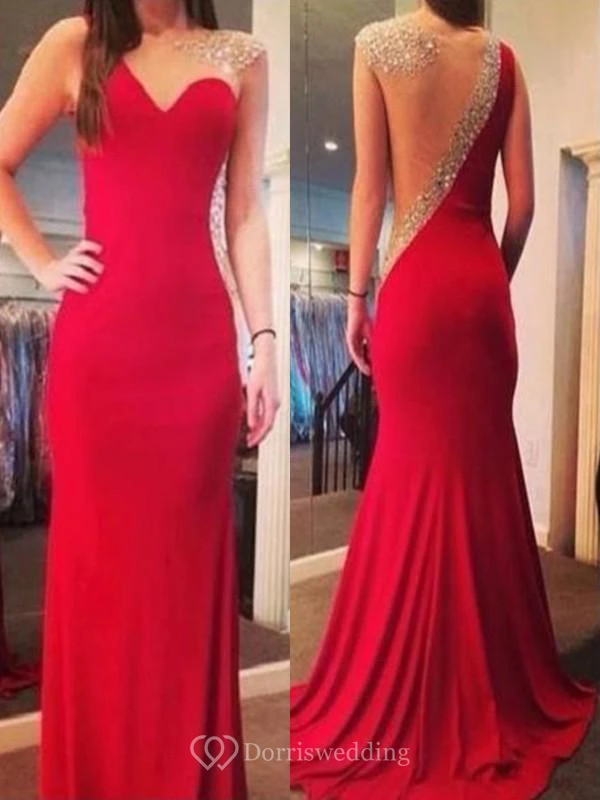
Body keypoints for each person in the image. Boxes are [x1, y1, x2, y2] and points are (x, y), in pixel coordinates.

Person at [290, 1, 598, 797]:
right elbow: (523, 206)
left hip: (415, 289)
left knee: (406, 477)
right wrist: (491, 274)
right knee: (484, 483)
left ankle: (410, 681)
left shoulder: (376, 45)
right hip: (479, 289)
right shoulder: (504, 62)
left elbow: (370, 188)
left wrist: (355, 299)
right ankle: (493, 679)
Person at [0, 0, 280, 797]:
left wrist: (264, 339)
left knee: (182, 590)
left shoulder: (243, 57)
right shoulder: (76, 43)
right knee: (98, 585)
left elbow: (246, 210)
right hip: (101, 363)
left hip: (197, 359)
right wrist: (42, 261)